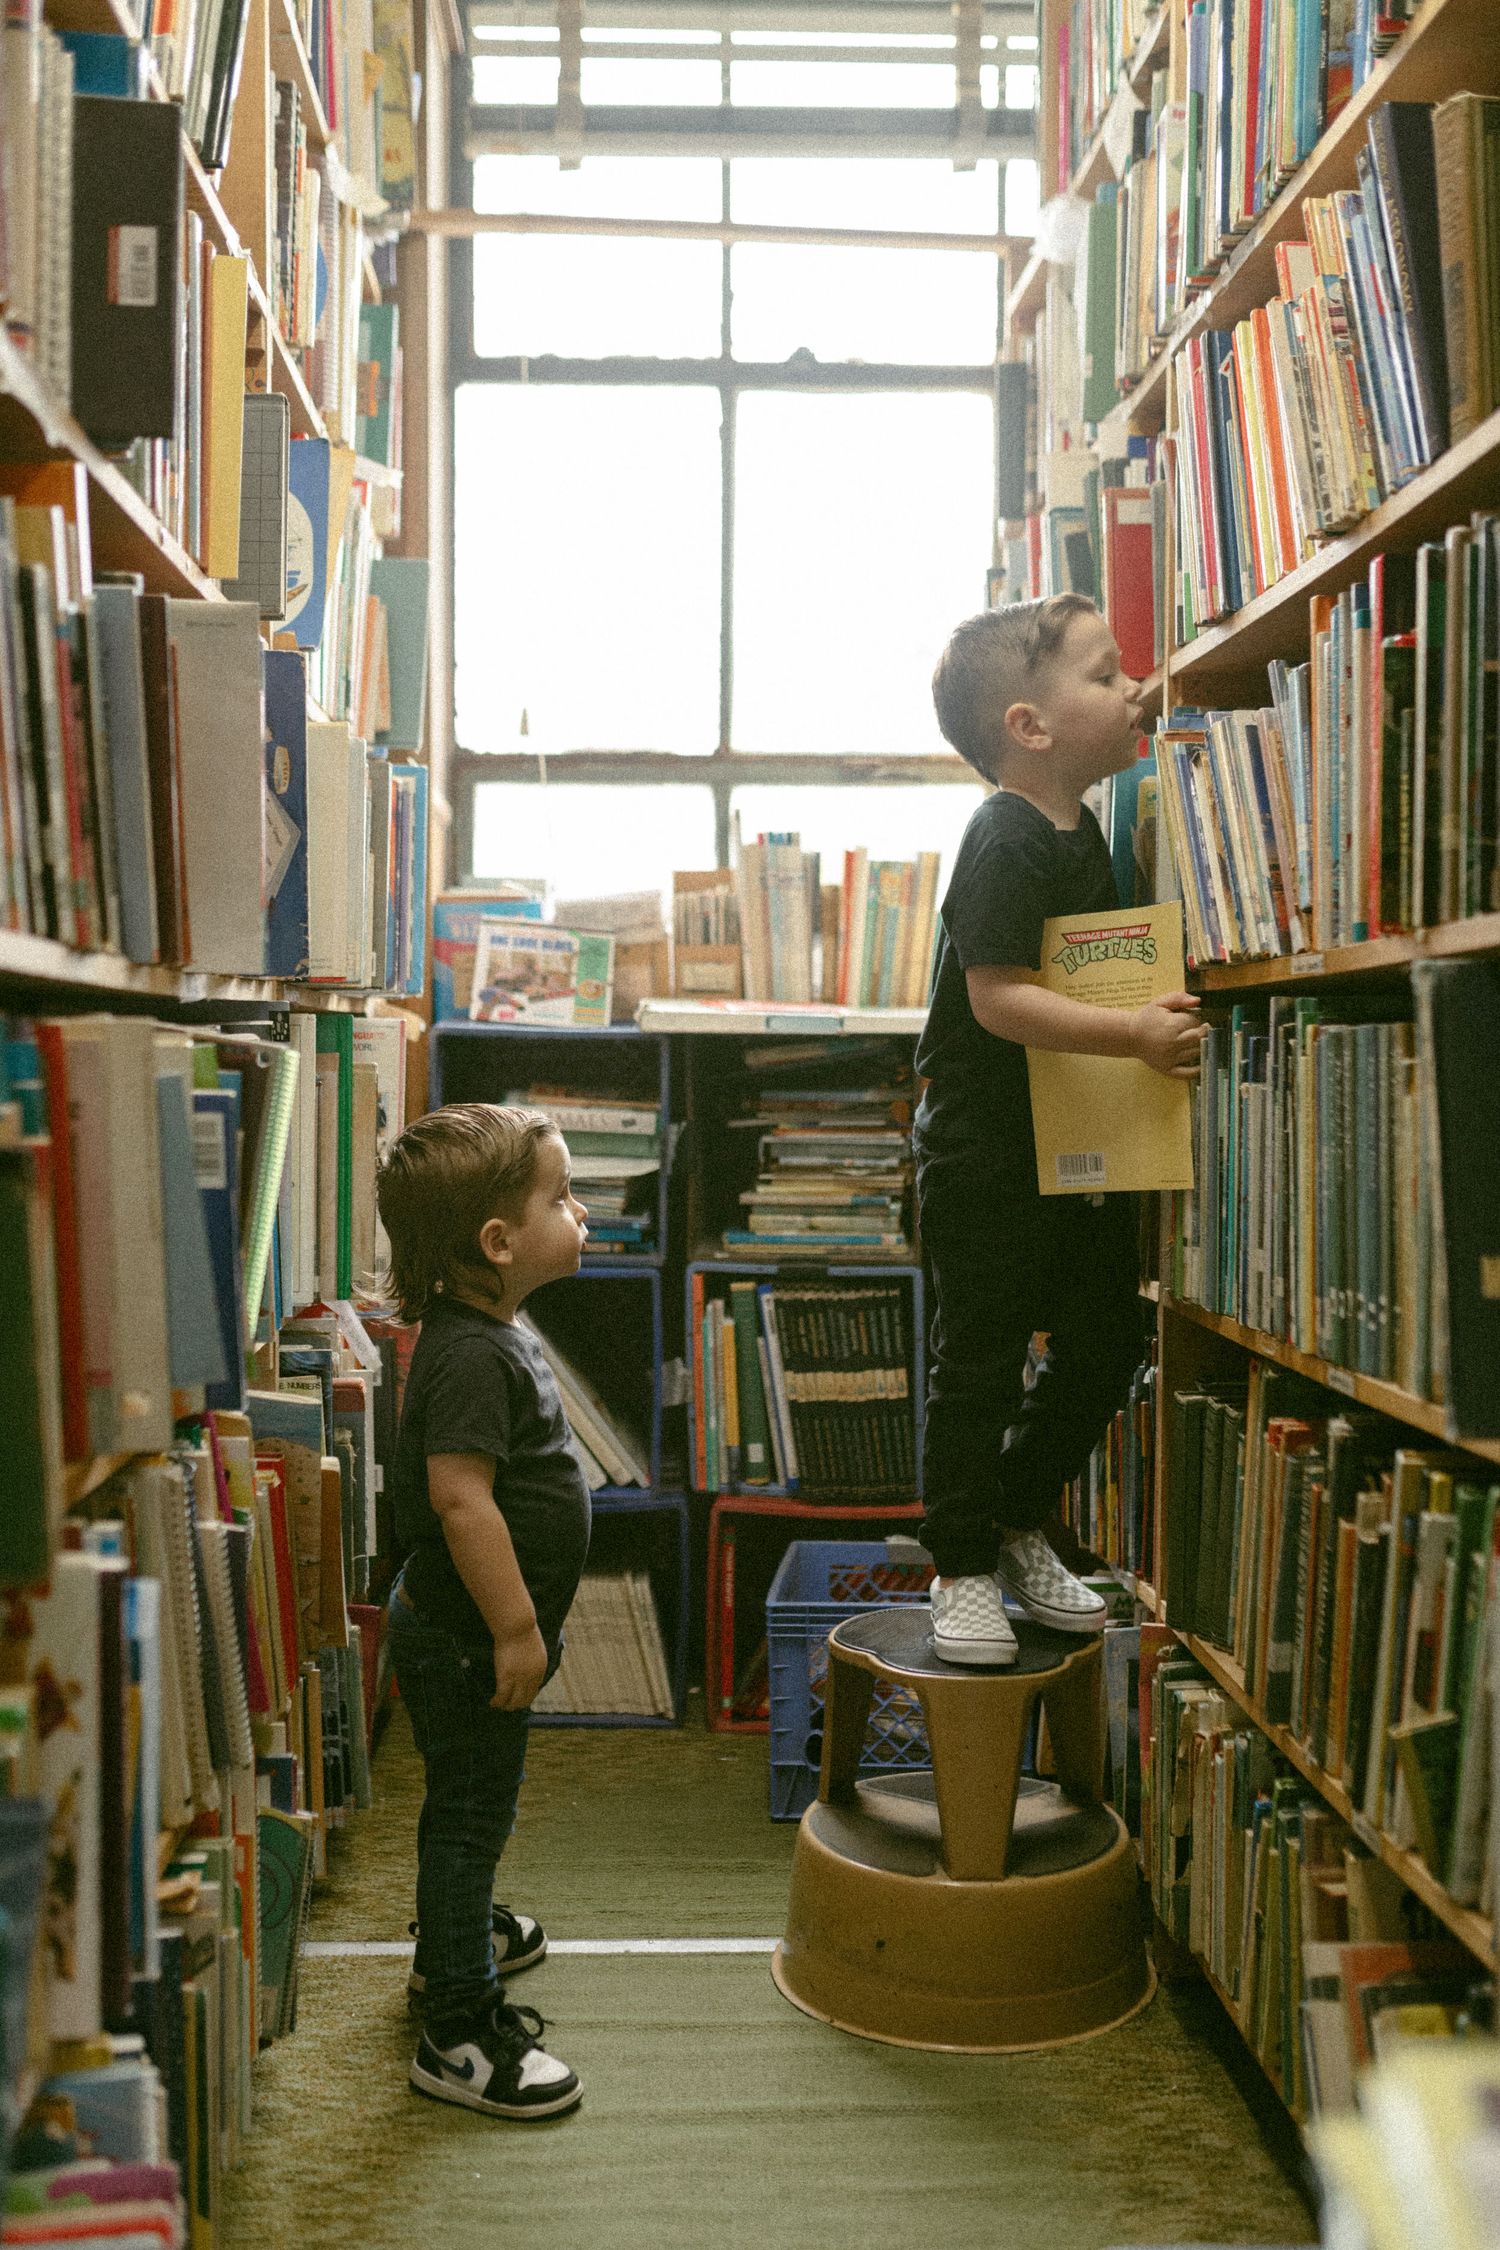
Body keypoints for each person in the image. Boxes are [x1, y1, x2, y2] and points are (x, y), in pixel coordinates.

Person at [915, 594, 1202, 1665]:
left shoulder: (1087, 822)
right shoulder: (1004, 835)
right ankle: (960, 1567)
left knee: (1108, 1341)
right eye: (1104, 674)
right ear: (1030, 727)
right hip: (987, 1153)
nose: (1132, 687)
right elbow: (997, 999)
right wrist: (1130, 1035)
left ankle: (1015, 1520)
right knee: (979, 1363)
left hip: (1077, 1145)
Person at [377, 1102, 592, 2119]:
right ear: (498, 1243)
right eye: (560, 1197)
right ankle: (457, 2024)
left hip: (467, 1635)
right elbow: (461, 1500)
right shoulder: (467, 1355)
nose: (580, 1210)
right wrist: (516, 1627)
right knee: (469, 1817)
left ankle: (456, 1931)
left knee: (467, 1810)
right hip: (468, 1640)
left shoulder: (488, 1329)